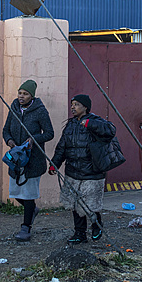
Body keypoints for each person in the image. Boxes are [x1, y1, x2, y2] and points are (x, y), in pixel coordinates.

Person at [49, 95, 116, 244]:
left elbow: (111, 130)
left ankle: (97, 225)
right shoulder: (70, 125)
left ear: (85, 107)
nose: (73, 107)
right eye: (72, 104)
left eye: (77, 104)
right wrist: (55, 164)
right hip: (73, 172)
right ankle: (80, 234)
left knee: (91, 204)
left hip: (92, 172)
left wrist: (90, 124)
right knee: (75, 205)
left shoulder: (96, 121)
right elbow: (62, 147)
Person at [2, 80, 55, 242]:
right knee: (16, 193)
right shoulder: (14, 108)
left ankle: (26, 228)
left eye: (25, 94)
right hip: (16, 160)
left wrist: (33, 139)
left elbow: (49, 133)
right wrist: (10, 141)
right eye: (20, 93)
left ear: (32, 95)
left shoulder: (40, 111)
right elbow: (5, 130)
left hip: (33, 160)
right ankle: (32, 210)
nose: (21, 96)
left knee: (28, 195)